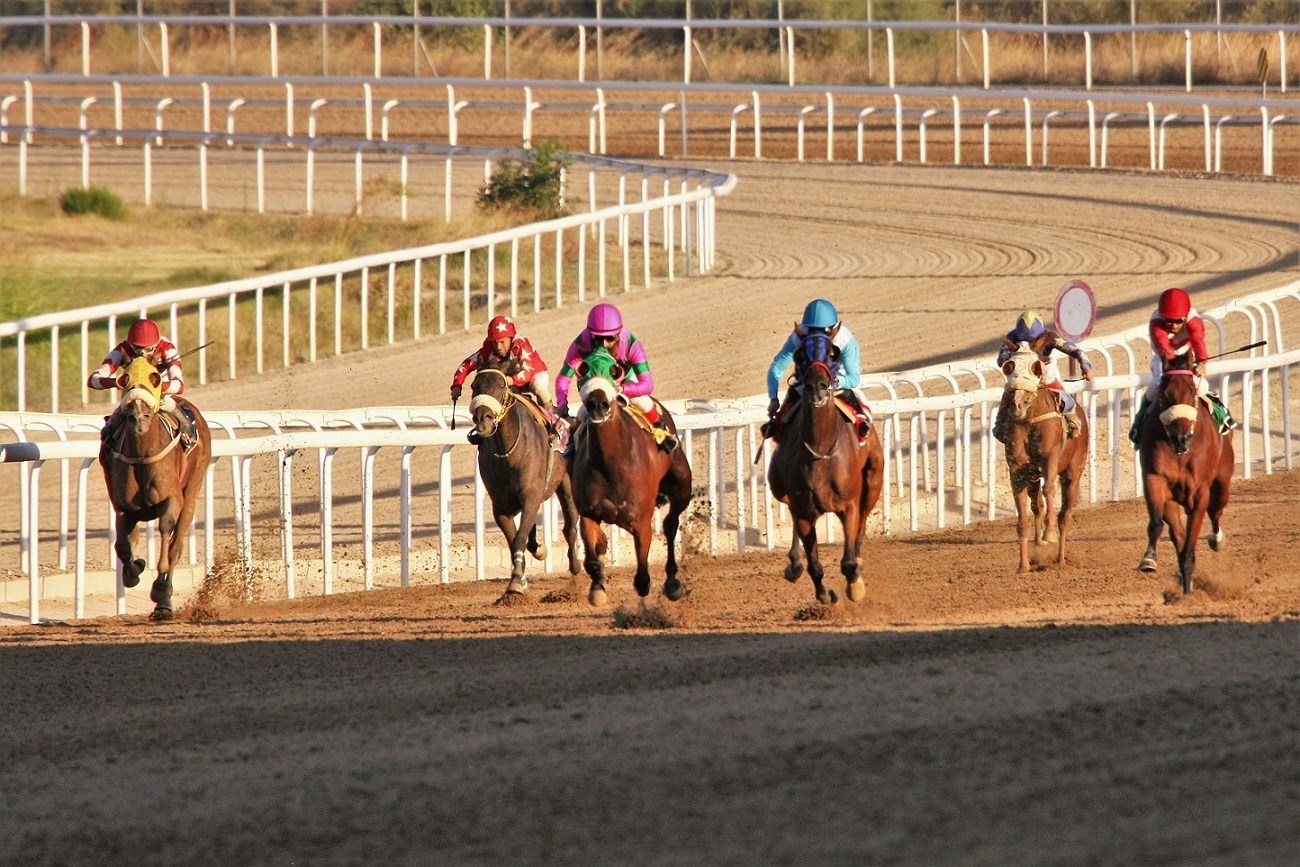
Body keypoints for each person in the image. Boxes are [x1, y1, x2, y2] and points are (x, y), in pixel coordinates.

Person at [553, 302, 677, 452]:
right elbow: (563, 379)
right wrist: (561, 404)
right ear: (590, 333)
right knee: (581, 415)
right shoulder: (580, 344)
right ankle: (571, 448)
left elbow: (647, 385)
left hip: (624, 383)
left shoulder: (631, 345)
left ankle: (662, 434)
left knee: (643, 401)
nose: (604, 344)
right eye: (597, 339)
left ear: (618, 334)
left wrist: (622, 389)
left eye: (609, 338)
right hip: (596, 388)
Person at [1129, 287, 1235, 443]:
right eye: (1169, 320)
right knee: (1155, 386)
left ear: (1185, 317)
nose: (1173, 325)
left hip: (1186, 354)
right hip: (1162, 357)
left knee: (1201, 386)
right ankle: (1139, 423)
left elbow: (1198, 342)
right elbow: (1162, 345)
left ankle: (1221, 414)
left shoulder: (1194, 321)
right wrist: (1174, 368)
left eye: (1178, 321)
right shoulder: (1156, 321)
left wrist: (1202, 362)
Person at [764, 298, 870, 439]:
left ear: (833, 329)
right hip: (807, 383)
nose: (816, 335)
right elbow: (776, 369)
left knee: (861, 419)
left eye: (823, 331)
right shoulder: (798, 336)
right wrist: (774, 399)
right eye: (812, 331)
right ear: (806, 328)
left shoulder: (845, 340)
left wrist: (835, 382)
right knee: (780, 425)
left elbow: (854, 379)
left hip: (839, 383)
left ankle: (862, 430)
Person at [88, 317, 198, 452]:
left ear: (156, 344)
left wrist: (158, 386)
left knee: (187, 424)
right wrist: (115, 382)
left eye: (148, 350)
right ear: (130, 344)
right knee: (107, 433)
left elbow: (179, 385)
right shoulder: (122, 349)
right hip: (131, 397)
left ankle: (190, 440)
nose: (142, 354)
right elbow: (93, 380)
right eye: (137, 349)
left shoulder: (166, 348)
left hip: (161, 398)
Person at [450, 315, 556, 445]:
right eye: (495, 342)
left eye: (502, 342)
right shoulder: (487, 350)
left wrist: (512, 380)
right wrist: (457, 385)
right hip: (507, 382)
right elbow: (466, 365)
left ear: (511, 339)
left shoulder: (521, 344)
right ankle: (484, 425)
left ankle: (551, 423)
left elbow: (527, 372)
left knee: (538, 386)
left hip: (532, 376)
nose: (498, 347)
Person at [992, 309, 1093, 442]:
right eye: (1023, 340)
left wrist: (1086, 366)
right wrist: (1008, 359)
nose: (1026, 343)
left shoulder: (1050, 337)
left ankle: (1071, 421)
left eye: (1031, 340)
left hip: (1044, 377)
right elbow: (1001, 360)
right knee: (1007, 397)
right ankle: (999, 424)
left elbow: (1075, 350)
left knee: (1067, 401)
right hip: (1022, 377)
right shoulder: (1012, 337)